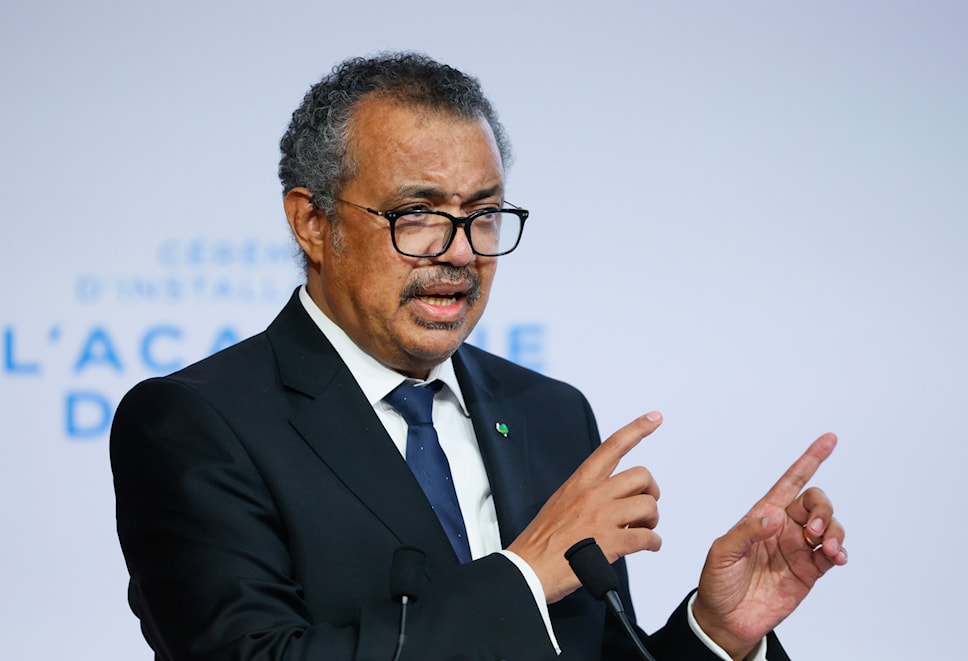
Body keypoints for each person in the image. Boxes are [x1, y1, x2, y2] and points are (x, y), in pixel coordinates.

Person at [111, 52, 847, 660]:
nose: (460, 252)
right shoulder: (196, 423)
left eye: (484, 214)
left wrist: (716, 633)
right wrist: (524, 579)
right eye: (420, 214)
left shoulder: (549, 414)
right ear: (313, 222)